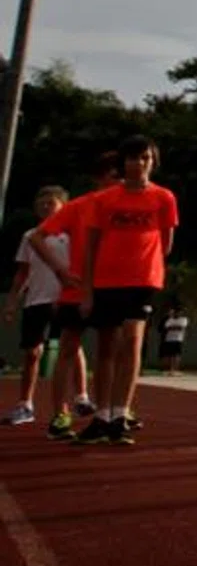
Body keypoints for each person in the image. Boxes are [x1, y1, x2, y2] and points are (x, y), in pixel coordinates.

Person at [76, 136, 177, 446]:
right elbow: (92, 245)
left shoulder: (163, 198)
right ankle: (102, 416)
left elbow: (166, 242)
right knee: (106, 347)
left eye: (145, 157)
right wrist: (87, 289)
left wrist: (148, 266)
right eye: (133, 158)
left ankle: (121, 414)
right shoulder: (104, 199)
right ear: (123, 164)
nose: (139, 163)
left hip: (143, 279)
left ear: (153, 162)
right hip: (107, 281)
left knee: (132, 340)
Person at [27, 152, 117, 437]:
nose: (119, 181)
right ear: (99, 178)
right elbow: (36, 236)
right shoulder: (79, 206)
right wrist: (60, 271)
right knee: (67, 348)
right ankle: (60, 415)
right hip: (77, 288)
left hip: (111, 289)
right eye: (114, 176)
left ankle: (107, 413)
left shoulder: (127, 206)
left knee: (109, 351)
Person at [4, 187, 69, 425]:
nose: (45, 208)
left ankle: (72, 403)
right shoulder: (30, 235)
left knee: (68, 351)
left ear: (63, 206)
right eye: (40, 204)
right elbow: (22, 272)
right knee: (32, 353)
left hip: (63, 300)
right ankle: (25, 405)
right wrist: (12, 301)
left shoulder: (72, 234)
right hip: (35, 300)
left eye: (50, 203)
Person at [158, 302, 190, 376]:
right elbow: (166, 328)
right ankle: (169, 369)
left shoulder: (184, 319)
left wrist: (172, 328)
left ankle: (175, 369)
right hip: (169, 339)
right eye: (176, 311)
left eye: (179, 312)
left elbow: (181, 328)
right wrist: (174, 327)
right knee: (169, 355)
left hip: (178, 339)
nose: (177, 313)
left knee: (177, 355)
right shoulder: (170, 319)